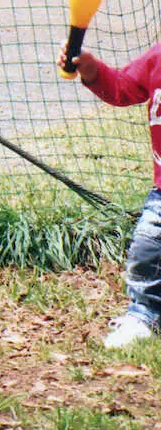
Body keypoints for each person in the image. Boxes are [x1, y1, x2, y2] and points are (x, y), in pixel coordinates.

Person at [58, 44, 161, 348]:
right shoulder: (158, 58)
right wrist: (92, 71)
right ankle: (144, 314)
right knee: (148, 248)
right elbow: (122, 88)